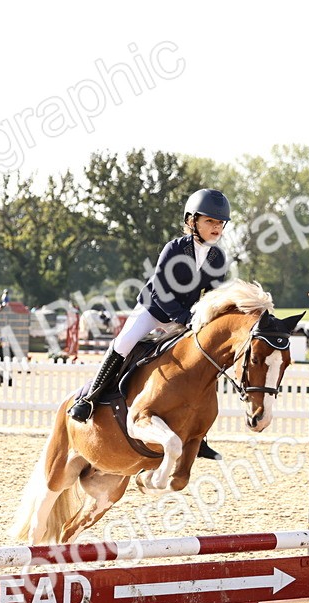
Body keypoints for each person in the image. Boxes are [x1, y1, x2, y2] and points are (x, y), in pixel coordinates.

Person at [67, 188, 233, 458]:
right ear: (192, 221)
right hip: (155, 308)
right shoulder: (175, 249)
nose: (216, 227)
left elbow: (213, 296)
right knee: (124, 342)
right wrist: (182, 318)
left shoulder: (218, 258)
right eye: (210, 221)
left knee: (202, 360)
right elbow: (160, 292)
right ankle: (89, 399)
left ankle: (198, 436)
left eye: (220, 223)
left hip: (187, 316)